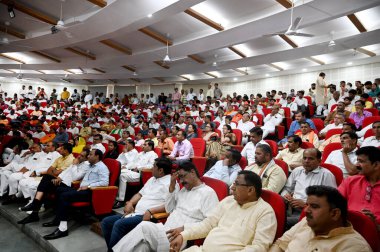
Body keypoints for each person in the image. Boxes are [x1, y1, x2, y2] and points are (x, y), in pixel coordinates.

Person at [113, 161, 219, 252]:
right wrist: (172, 186)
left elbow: (210, 224)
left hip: (180, 237)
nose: (181, 181)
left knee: (144, 226)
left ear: (192, 172)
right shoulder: (183, 190)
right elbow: (169, 208)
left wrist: (184, 229)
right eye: (179, 178)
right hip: (164, 230)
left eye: (182, 176)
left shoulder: (208, 193)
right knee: (141, 247)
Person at [169, 170, 277, 251]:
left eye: (237, 184)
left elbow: (259, 247)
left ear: (250, 190)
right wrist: (183, 235)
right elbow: (208, 225)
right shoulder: (229, 201)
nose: (232, 187)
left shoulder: (265, 212)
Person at [101, 157, 175, 250]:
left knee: (119, 224)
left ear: (160, 170)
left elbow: (169, 205)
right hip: (135, 213)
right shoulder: (152, 179)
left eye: (154, 166)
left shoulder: (170, 183)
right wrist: (130, 203)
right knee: (106, 222)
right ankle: (115, 249)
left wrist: (150, 211)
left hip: (149, 217)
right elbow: (140, 194)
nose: (152, 168)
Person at [269, 185, 371, 252]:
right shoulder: (306, 222)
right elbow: (279, 245)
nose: (306, 211)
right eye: (307, 205)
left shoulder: (354, 247)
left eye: (314, 206)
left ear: (334, 213)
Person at [42, 149, 109, 240]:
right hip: (81, 189)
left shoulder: (102, 167)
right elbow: (76, 175)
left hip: (91, 193)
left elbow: (105, 182)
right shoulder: (90, 166)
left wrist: (89, 186)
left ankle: (63, 229)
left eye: (91, 154)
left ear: (97, 156)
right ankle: (58, 219)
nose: (88, 156)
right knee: (59, 190)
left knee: (64, 196)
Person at [17, 149, 91, 224]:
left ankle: (34, 207)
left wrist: (74, 165)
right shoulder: (78, 162)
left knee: (46, 181)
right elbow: (65, 172)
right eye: (79, 154)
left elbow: (76, 177)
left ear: (87, 158)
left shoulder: (86, 165)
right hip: (61, 182)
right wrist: (59, 178)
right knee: (45, 182)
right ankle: (34, 212)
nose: (78, 157)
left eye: (82, 156)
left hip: (69, 185)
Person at [281, 148, 337, 229]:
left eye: (311, 158)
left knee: (280, 222)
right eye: (304, 158)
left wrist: (306, 205)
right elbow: (287, 188)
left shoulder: (326, 175)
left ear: (319, 161)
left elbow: (332, 200)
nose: (306, 161)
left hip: (310, 213)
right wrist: (286, 195)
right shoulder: (297, 171)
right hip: (289, 207)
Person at [338, 146, 380, 230]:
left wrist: (375, 226)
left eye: (360, 161)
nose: (356, 165)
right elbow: (334, 204)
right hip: (348, 229)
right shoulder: (350, 181)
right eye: (357, 160)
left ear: (376, 165)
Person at [113, 140, 158, 209]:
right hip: (132, 171)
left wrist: (138, 168)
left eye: (145, 145)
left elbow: (151, 166)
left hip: (142, 174)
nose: (142, 146)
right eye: (143, 144)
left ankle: (120, 200)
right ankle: (113, 195)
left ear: (150, 147)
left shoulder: (153, 155)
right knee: (118, 171)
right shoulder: (141, 153)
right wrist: (126, 167)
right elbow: (133, 162)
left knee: (122, 176)